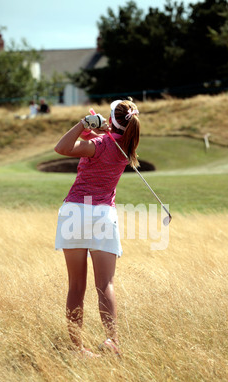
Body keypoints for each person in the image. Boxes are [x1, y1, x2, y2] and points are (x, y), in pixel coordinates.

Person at [54, 100, 140, 358]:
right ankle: (112, 341)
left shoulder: (100, 144)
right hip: (103, 214)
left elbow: (62, 147)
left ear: (111, 120)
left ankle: (77, 348)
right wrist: (100, 130)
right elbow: (103, 144)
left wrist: (84, 124)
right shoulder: (126, 145)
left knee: (76, 286)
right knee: (105, 284)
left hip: (74, 213)